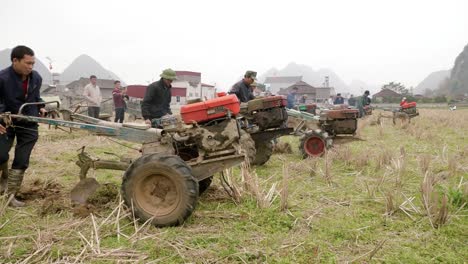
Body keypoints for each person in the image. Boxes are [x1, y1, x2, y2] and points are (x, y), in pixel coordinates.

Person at [0, 45, 47, 207]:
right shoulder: (2, 78)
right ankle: (4, 178)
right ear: (15, 60)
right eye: (27, 63)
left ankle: (11, 195)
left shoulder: (36, 78)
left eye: (32, 63)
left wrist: (40, 106)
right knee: (0, 155)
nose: (30, 67)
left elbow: (36, 97)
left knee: (22, 159)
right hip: (6, 122)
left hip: (28, 121)